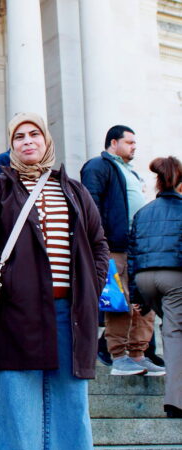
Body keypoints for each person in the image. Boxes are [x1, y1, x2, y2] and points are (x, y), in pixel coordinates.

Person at [0, 113, 109, 450]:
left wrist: (91, 288)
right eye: (19, 136)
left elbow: (98, 243)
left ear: (47, 141)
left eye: (34, 134)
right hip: (15, 316)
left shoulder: (74, 189)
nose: (28, 141)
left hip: (70, 316)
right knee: (18, 414)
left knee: (71, 411)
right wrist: (13, 281)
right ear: (12, 145)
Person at [81, 125, 165, 376]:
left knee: (145, 301)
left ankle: (138, 354)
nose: (134, 147)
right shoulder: (99, 166)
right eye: (129, 142)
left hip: (137, 246)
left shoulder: (131, 172)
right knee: (119, 301)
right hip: (114, 245)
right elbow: (90, 202)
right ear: (113, 143)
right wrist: (100, 240)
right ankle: (118, 355)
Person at [128, 156, 182, 418]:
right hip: (173, 278)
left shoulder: (143, 212)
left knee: (171, 325)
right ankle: (175, 402)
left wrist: (136, 294)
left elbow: (133, 254)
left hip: (144, 279)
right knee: (175, 334)